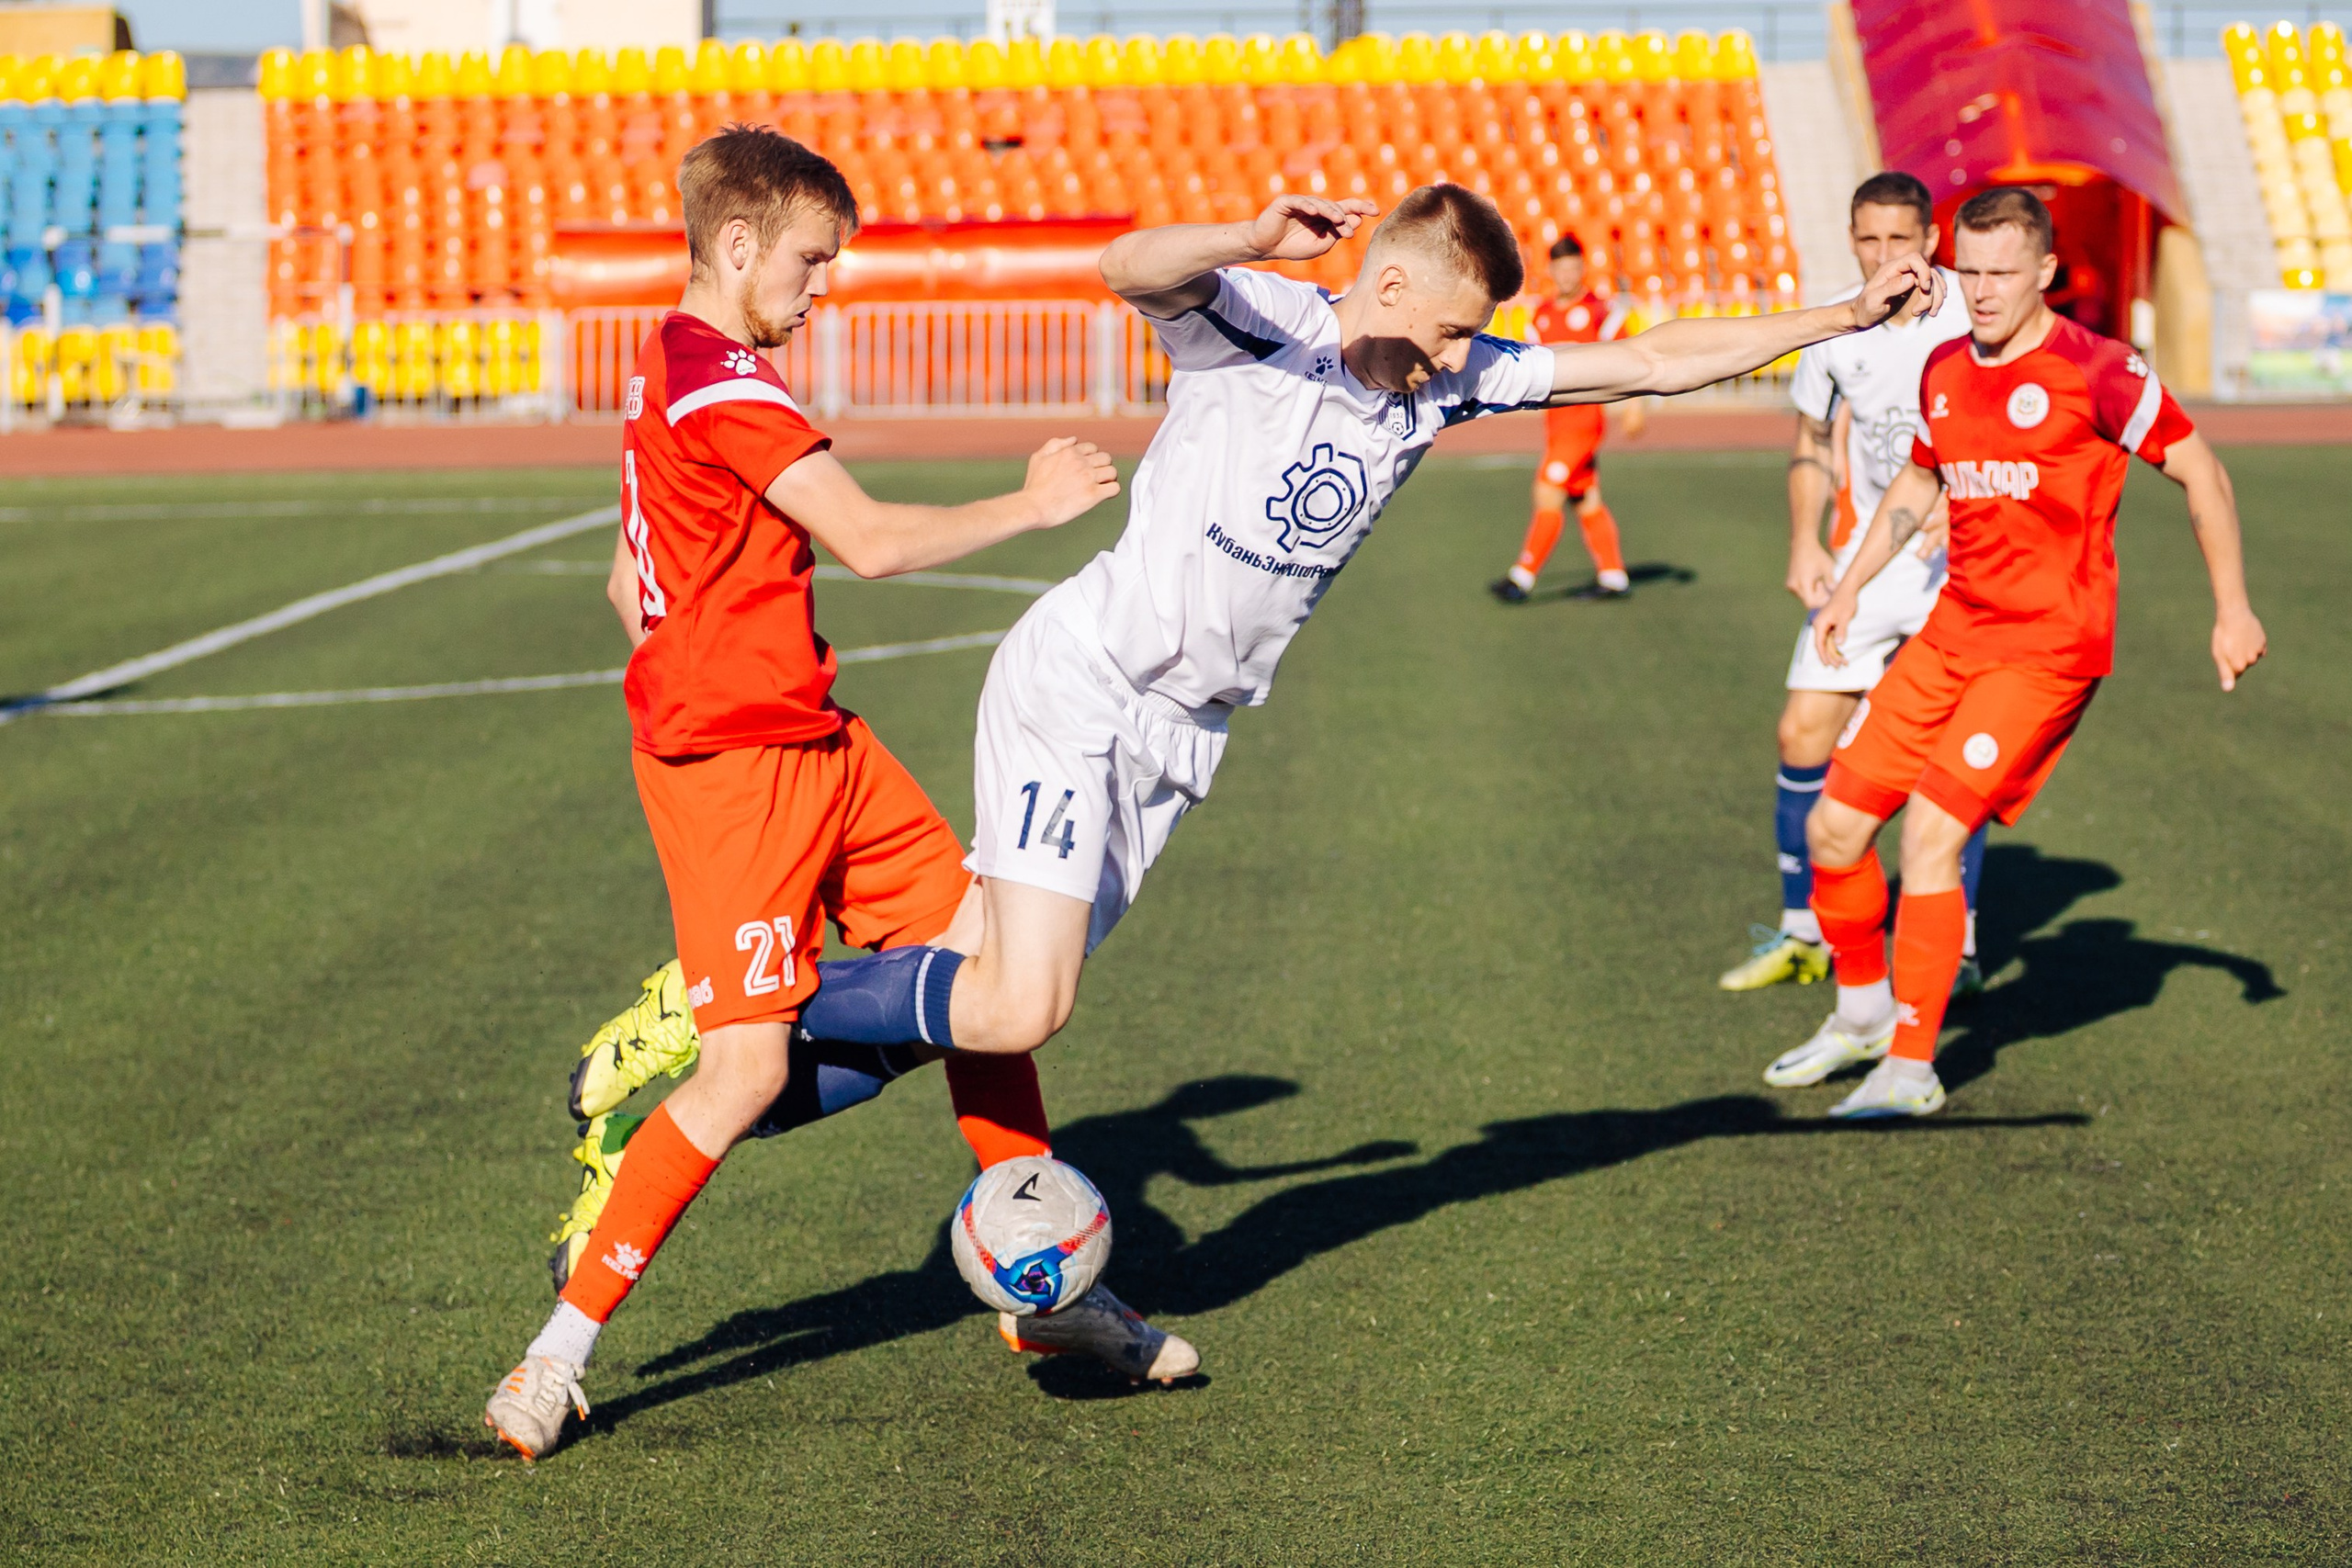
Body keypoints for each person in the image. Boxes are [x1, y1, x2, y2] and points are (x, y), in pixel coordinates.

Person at [560, 182, 1939, 1399]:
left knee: (980, 1004)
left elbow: (1649, 357)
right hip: (1082, 685)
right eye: (1455, 328)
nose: (1469, 361)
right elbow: (1127, 268)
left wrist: (1834, 312)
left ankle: (790, 1096)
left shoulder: (1449, 378)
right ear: (1389, 284)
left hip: (1178, 743)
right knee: (1016, 1002)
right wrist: (1244, 234)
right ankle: (734, 1010)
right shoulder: (1262, 318)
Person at [481, 126, 1139, 1461]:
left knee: (996, 973)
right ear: (737, 246)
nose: (821, 286)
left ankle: (1046, 1300)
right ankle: (554, 1358)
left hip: (815, 738)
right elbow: (879, 542)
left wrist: (717, 663)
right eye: (809, 260)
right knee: (744, 1070)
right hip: (731, 775)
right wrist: (1033, 500)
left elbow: (628, 585)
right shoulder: (719, 381)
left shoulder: (666, 368)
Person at [1769, 186, 2266, 1117]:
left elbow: (2201, 469)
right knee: (1833, 828)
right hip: (1952, 630)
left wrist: (2230, 608)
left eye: (2005, 273)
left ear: (2044, 272)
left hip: (2045, 650)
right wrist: (1846, 589)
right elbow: (1919, 481)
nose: (1985, 291)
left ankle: (1910, 1070)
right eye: (1972, 271)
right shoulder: (1945, 367)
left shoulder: (2099, 371)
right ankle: (1865, 1014)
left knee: (1929, 835)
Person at [1723, 172, 1993, 1000]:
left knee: (1948, 759)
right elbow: (1811, 440)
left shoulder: (1975, 318)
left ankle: (1962, 937)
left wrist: (1977, 498)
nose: (1884, 258)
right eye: (1868, 241)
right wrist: (1805, 539)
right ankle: (1806, 931)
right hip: (1866, 562)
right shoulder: (1839, 326)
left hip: (1964, 565)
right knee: (1803, 731)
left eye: (1899, 241)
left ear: (1932, 240)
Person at [1488, 232, 1645, 603]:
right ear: (1552, 271)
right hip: (1556, 423)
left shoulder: (1601, 311)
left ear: (1582, 269)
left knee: (1547, 490)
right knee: (1586, 498)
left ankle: (1521, 577)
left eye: (1574, 267)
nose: (1568, 275)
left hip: (1584, 421)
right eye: (1561, 268)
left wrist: (1635, 404)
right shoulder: (1540, 316)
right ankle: (1613, 576)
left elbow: (1629, 355)